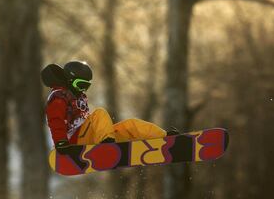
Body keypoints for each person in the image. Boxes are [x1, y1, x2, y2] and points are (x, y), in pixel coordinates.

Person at [41, 60, 178, 154]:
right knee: (99, 113)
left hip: (92, 137)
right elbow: (55, 120)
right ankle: (108, 145)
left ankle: (163, 137)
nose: (83, 90)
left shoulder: (75, 95)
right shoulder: (59, 96)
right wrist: (61, 143)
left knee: (131, 125)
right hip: (74, 141)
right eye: (80, 85)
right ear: (69, 81)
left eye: (86, 86)